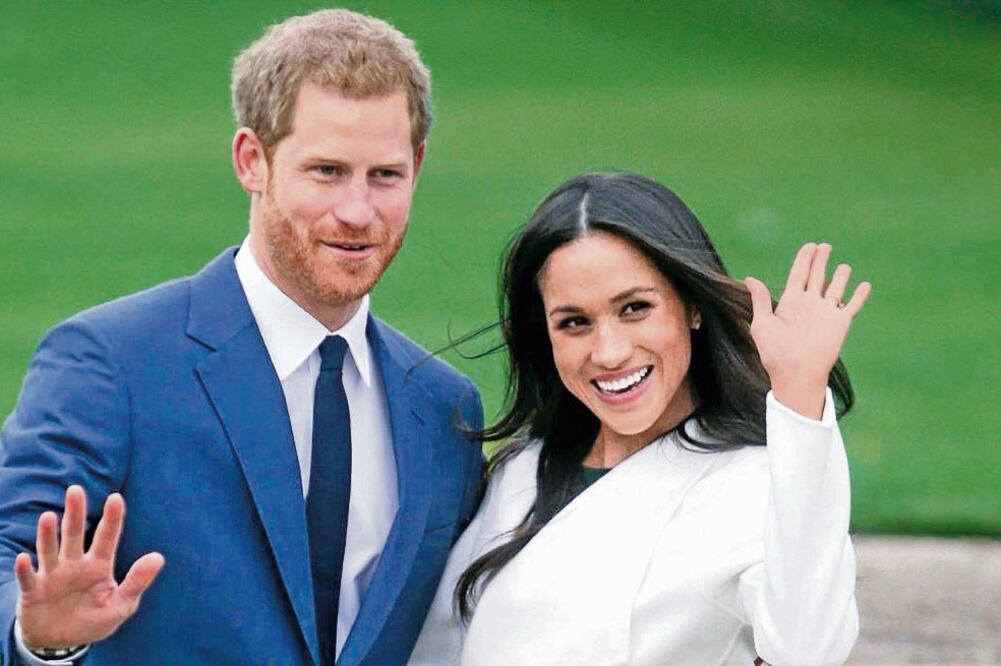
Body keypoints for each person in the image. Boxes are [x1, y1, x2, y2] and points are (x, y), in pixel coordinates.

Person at [0, 9, 483, 666]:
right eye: (326, 171)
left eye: (385, 176)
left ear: (417, 166)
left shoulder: (444, 407)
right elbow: (12, 561)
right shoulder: (108, 362)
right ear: (252, 160)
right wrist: (39, 638)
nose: (357, 211)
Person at [411, 172, 869, 665]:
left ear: (690, 306)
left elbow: (809, 648)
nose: (609, 353)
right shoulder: (520, 470)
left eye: (634, 308)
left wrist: (800, 395)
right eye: (574, 323)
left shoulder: (752, 483)